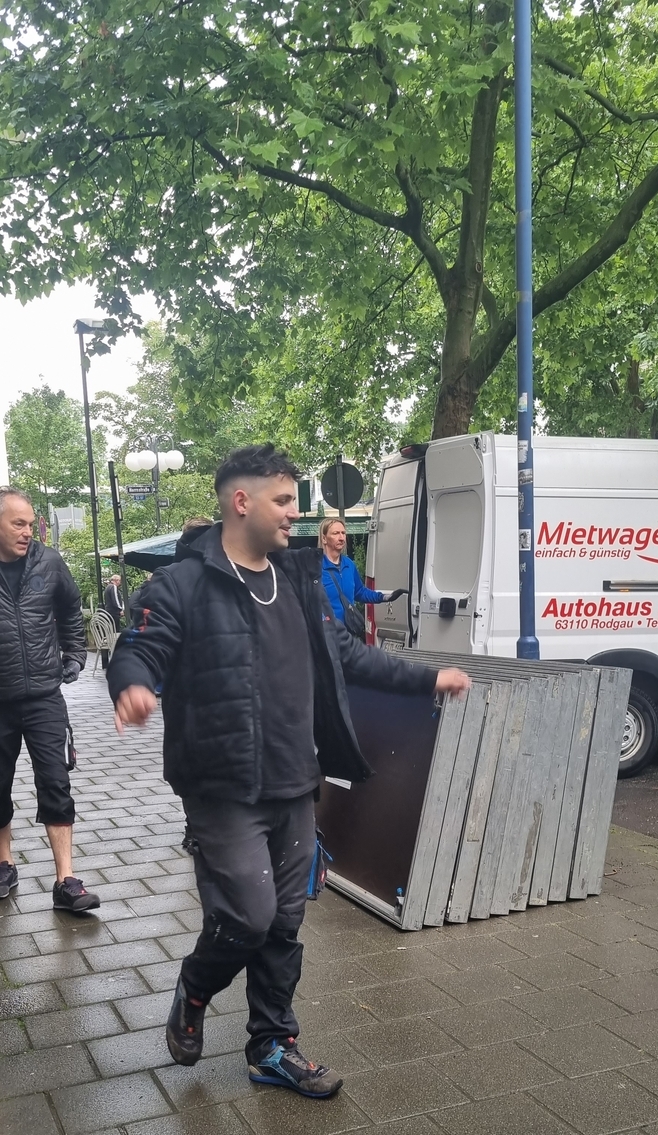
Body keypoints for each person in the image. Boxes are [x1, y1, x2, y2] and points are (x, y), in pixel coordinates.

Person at [107, 444, 469, 1099]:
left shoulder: (297, 583)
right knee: (247, 917)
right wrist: (133, 684)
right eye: (281, 501)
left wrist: (425, 680)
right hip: (220, 788)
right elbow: (140, 648)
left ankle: (272, 1045)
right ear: (241, 501)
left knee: (284, 921)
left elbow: (347, 655)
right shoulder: (179, 585)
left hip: (296, 781)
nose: (292, 515)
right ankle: (195, 986)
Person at [0, 487, 100, 911]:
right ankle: (4, 864)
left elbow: (71, 608)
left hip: (44, 696)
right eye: (17, 524)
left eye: (30, 523)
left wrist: (75, 654)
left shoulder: (50, 562)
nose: (28, 531)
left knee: (56, 783)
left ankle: (66, 880)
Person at [319, 518, 405, 631]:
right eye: (335, 533)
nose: (341, 538)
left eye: (343, 533)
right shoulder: (316, 567)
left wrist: (384, 597)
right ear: (324, 538)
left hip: (347, 633)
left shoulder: (349, 565)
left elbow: (359, 592)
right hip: (326, 634)